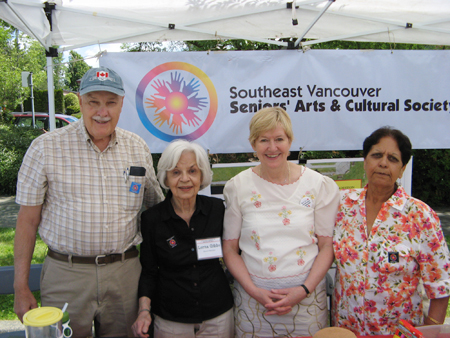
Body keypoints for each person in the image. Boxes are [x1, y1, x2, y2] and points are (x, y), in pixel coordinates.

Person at [14, 67, 164, 338]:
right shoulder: (45, 148)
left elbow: (157, 209)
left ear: (121, 104)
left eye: (110, 102)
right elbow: (27, 221)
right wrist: (20, 288)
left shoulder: (137, 147)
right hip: (66, 275)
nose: (102, 112)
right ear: (81, 102)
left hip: (125, 275)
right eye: (93, 102)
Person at [222, 107, 340, 337]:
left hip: (306, 304)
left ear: (290, 140)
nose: (272, 147)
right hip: (254, 305)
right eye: (264, 140)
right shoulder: (238, 187)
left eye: (279, 139)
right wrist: (255, 291)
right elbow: (229, 249)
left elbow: (327, 246)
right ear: (253, 143)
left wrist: (303, 290)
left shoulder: (318, 186)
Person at [332, 126, 450, 335]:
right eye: (376, 155)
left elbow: (440, 285)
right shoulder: (342, 205)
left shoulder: (420, 216)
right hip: (346, 331)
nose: (383, 163)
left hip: (397, 333)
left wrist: (429, 331)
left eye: (393, 159)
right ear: (365, 160)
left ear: (402, 168)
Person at [132, 140, 234, 338]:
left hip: (218, 315)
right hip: (171, 318)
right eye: (176, 172)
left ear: (202, 175)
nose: (185, 179)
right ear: (166, 178)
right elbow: (149, 271)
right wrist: (144, 311)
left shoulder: (217, 210)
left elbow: (235, 254)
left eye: (192, 171)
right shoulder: (152, 219)